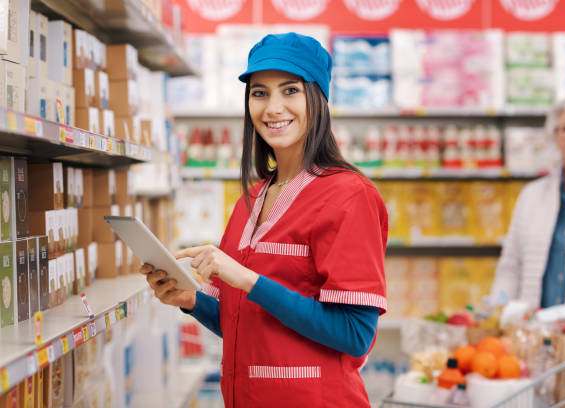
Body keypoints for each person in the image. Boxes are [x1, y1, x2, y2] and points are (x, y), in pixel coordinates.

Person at [140, 32, 388, 407]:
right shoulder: (252, 199)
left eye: (290, 91)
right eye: (259, 93)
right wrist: (191, 300)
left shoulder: (350, 196)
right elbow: (243, 323)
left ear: (318, 98)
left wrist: (248, 279)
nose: (273, 108)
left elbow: (355, 333)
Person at [491, 92, 565, 408]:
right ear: (554, 136)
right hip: (533, 342)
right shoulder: (532, 195)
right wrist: (504, 310)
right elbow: (511, 263)